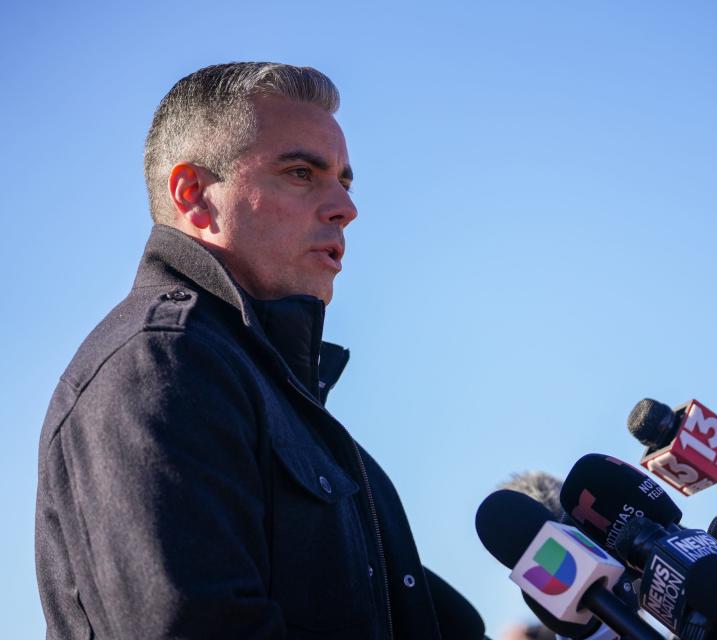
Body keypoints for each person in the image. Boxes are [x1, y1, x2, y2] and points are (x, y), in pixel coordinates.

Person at [35, 62, 448, 639]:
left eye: (345, 183)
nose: (344, 208)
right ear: (195, 196)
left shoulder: (274, 393)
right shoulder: (162, 362)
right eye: (302, 172)